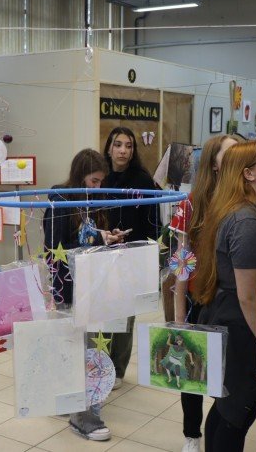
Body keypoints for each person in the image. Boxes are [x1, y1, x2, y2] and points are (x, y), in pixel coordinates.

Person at [194, 141, 256, 451]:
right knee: (234, 418)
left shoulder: (237, 213)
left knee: (225, 411)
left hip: (230, 323)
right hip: (243, 332)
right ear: (248, 174)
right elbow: (250, 298)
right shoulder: (246, 222)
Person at [42, 148, 122, 441]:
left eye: (100, 181)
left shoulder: (93, 201)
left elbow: (90, 238)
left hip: (92, 284)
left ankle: (80, 406)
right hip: (68, 286)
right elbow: (55, 243)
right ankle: (82, 415)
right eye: (93, 180)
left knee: (87, 347)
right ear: (79, 176)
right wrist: (94, 237)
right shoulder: (61, 197)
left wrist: (107, 236)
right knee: (75, 348)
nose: (97, 187)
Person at [170, 134, 238, 452]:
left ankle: (220, 430)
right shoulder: (192, 202)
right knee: (192, 371)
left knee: (230, 373)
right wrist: (179, 312)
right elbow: (182, 260)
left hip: (234, 301)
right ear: (213, 163)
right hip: (199, 297)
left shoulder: (244, 199)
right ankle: (191, 434)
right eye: (230, 153)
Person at [103, 127, 160, 389]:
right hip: (101, 254)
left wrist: (146, 254)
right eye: (118, 145)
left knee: (125, 314)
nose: (123, 150)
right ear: (109, 148)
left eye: (128, 145)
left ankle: (117, 368)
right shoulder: (100, 177)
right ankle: (99, 363)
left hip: (131, 255)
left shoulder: (142, 179)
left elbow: (153, 222)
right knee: (101, 312)